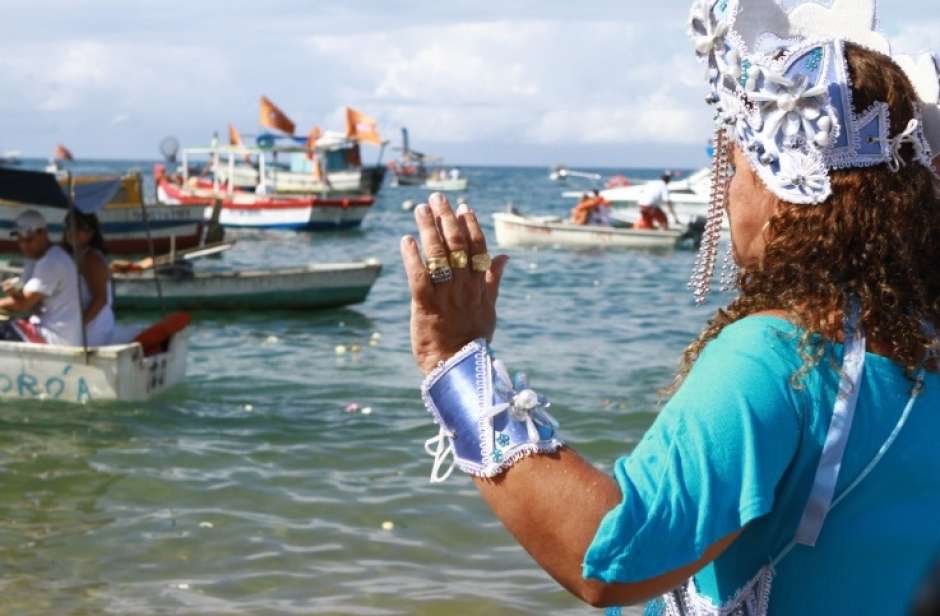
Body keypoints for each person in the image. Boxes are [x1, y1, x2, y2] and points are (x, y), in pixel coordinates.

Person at [399, 1, 940, 613]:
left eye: (734, 167)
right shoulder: (921, 346)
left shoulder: (779, 355)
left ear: (785, 193)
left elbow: (610, 555)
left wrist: (453, 363)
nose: (729, 191)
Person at [0, 210, 82, 346]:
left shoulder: (52, 262)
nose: (24, 246)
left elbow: (22, 304)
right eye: (20, 241)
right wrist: (14, 293)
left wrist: (14, 298)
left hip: (54, 336)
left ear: (43, 233)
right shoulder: (37, 259)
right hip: (49, 330)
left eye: (29, 240)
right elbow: (25, 300)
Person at [63, 210, 114, 347]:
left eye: (79, 227)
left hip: (93, 329)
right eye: (69, 225)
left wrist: (78, 325)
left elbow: (101, 299)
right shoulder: (74, 256)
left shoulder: (91, 258)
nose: (72, 230)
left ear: (91, 233)